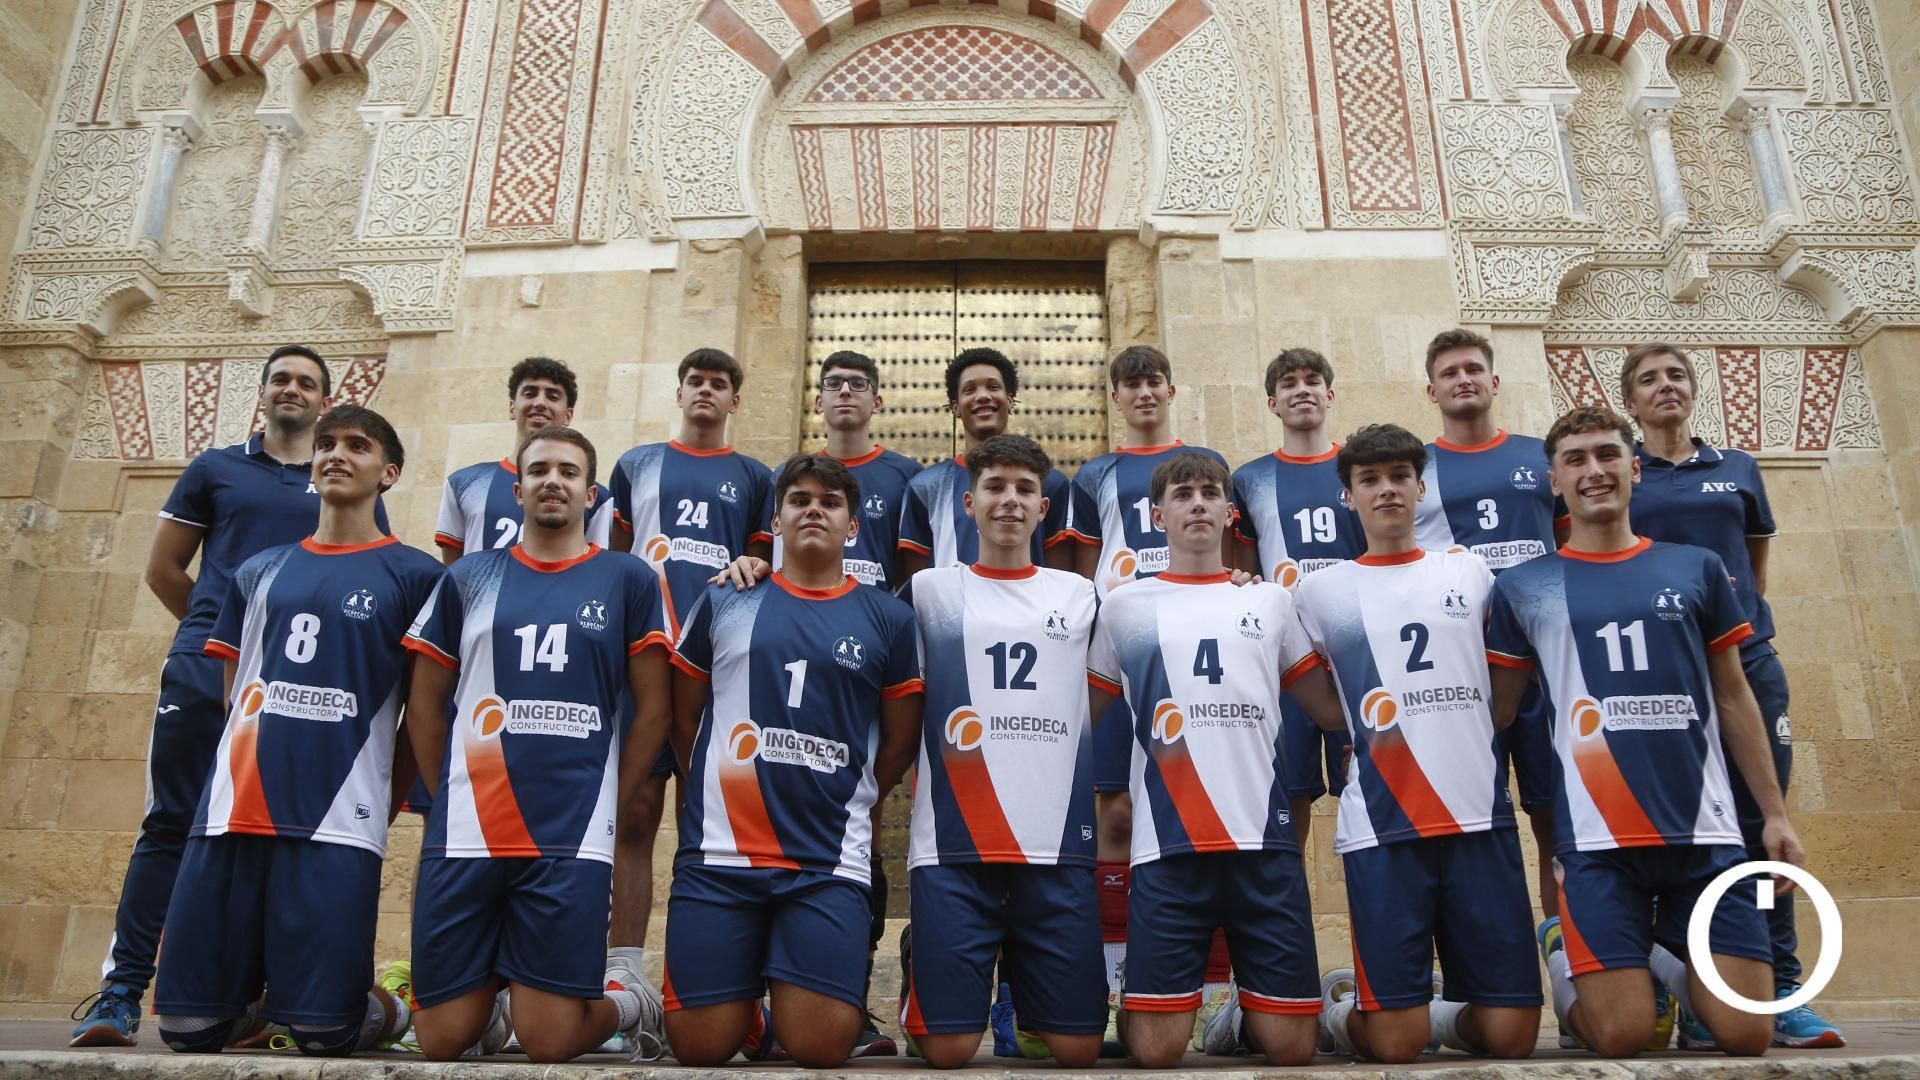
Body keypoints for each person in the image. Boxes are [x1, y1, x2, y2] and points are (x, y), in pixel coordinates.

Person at [74, 344, 389, 1047]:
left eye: (308, 383)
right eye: (281, 379)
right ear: (264, 393)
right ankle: (121, 992)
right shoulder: (217, 468)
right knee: (173, 823)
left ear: (324, 399)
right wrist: (227, 638)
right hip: (206, 672)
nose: (293, 390)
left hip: (300, 693)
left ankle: (257, 996)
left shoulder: (341, 482)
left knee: (269, 829)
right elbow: (162, 569)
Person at [1485, 404, 1808, 1060]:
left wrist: (1775, 815)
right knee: (1623, 1036)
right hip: (1599, 841)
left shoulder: (1695, 569)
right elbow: (1498, 712)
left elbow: (1735, 695)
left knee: (1748, 1035)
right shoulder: (1523, 587)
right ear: (1554, 481)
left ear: (1634, 468)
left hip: (1705, 834)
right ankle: (1563, 951)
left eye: (1607, 455)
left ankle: (1662, 964)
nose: (1594, 471)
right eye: (1576, 460)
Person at [151, 405, 442, 1057]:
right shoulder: (259, 571)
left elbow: (418, 716)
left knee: (323, 1034)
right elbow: (236, 694)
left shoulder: (419, 575)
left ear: (388, 473)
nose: (337, 453)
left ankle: (385, 1007)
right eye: (327, 444)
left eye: (357, 446)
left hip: (337, 819)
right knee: (188, 1031)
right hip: (235, 810)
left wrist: (384, 804)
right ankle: (259, 993)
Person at [402, 426, 670, 1063]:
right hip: (467, 828)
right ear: (516, 487)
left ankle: (632, 1003)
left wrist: (611, 797)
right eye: (540, 470)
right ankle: (489, 1004)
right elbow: (425, 704)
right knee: (440, 1040)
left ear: (591, 492)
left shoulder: (628, 578)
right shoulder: (468, 576)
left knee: (548, 1043)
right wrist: (448, 796)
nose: (554, 481)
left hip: (568, 836)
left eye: (569, 472)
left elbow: (653, 710)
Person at [1289, 423, 1541, 1063]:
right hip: (1382, 828)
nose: (1386, 490)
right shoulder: (1318, 592)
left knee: (1512, 1039)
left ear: (1420, 487)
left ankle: (1426, 1010)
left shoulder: (1472, 571)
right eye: (1369, 480)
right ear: (1349, 496)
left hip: (1476, 818)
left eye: (1399, 477)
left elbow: (1504, 694)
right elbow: (1319, 704)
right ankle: (1342, 1009)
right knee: (1394, 1048)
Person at [663, 454, 923, 1068]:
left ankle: (782, 985)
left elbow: (897, 742)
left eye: (830, 503)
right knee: (699, 1049)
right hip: (722, 852)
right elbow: (683, 718)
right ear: (775, 521)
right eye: (799, 499)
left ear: (852, 527)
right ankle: (744, 1004)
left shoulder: (888, 616)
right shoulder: (727, 596)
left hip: (825, 860)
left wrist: (853, 791)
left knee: (821, 1047)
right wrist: (716, 781)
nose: (814, 509)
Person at [1618, 342, 1842, 1049]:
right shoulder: (1624, 474)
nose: (1665, 388)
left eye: (1677, 376)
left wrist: (1729, 642)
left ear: (1694, 390)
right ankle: (1685, 987)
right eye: (1649, 380)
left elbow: (1751, 568)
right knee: (1666, 828)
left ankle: (1782, 991)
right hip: (1657, 677)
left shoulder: (1738, 469)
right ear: (1630, 402)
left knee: (1762, 823)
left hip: (1743, 665)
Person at [1088, 452, 1338, 1069]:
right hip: (1167, 846)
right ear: (1157, 515)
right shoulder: (1123, 607)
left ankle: (1284, 1009)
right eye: (1182, 494)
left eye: (1208, 493)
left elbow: (1328, 709)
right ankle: (1228, 1008)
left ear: (1230, 512)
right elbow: (1077, 715)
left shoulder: (1272, 601)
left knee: (1292, 1050)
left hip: (1264, 842)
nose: (1197, 503)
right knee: (1155, 1051)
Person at [899, 435, 1105, 1069]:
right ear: (968, 502)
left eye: (1023, 489)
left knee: (1078, 1050)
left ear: (1044, 508)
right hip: (955, 838)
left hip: (1055, 840)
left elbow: (1098, 691)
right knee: (948, 1052)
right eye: (995, 487)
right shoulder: (930, 591)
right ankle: (923, 966)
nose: (1009, 500)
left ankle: (1025, 989)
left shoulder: (1079, 594)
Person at [1071, 346, 1233, 1053]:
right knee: (1117, 814)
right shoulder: (1096, 473)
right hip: (1125, 652)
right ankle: (1115, 989)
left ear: (1172, 389)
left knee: (1216, 810)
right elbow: (1080, 574)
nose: (1142, 393)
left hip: (1196, 658)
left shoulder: (1205, 463)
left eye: (1152, 382)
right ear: (1116, 396)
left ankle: (1220, 994)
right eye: (1129, 383)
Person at [606, 348, 773, 986]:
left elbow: (760, 568)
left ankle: (711, 978)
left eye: (720, 383)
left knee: (717, 822)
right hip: (646, 662)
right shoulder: (637, 464)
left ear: (735, 400)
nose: (706, 390)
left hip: (718, 670)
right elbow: (613, 558)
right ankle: (623, 975)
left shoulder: (755, 476)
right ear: (679, 393)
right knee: (639, 813)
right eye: (695, 380)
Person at [1411, 330, 1564, 927]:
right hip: (1459, 668)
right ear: (1432, 390)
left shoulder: (1540, 456)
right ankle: (1487, 970)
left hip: (1545, 662)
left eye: (1473, 368)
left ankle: (1572, 968)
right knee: (1470, 817)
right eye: (1449, 372)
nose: (1463, 379)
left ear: (1495, 381)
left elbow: (1571, 545)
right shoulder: (1415, 468)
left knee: (1555, 816)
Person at [1228, 348, 1362, 852]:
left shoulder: (1361, 467)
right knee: (1289, 800)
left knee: (1367, 790)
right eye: (1289, 383)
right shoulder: (1251, 478)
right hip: (1286, 661)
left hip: (1356, 655)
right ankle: (1288, 924)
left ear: (1329, 394)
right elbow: (1244, 570)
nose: (1301, 389)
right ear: (1272, 402)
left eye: (1312, 380)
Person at [898, 347, 1089, 581]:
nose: (982, 396)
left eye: (993, 387)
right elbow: (915, 583)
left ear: (1010, 399)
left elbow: (1059, 575)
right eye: (969, 390)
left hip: (1028, 615)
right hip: (953, 616)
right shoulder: (926, 487)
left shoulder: (1049, 481)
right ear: (955, 406)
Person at [433, 356, 616, 561]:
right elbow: (453, 569)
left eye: (553, 397)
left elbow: (597, 569)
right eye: (530, 393)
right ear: (512, 407)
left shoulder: (596, 496)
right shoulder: (466, 483)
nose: (539, 403)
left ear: (568, 415)